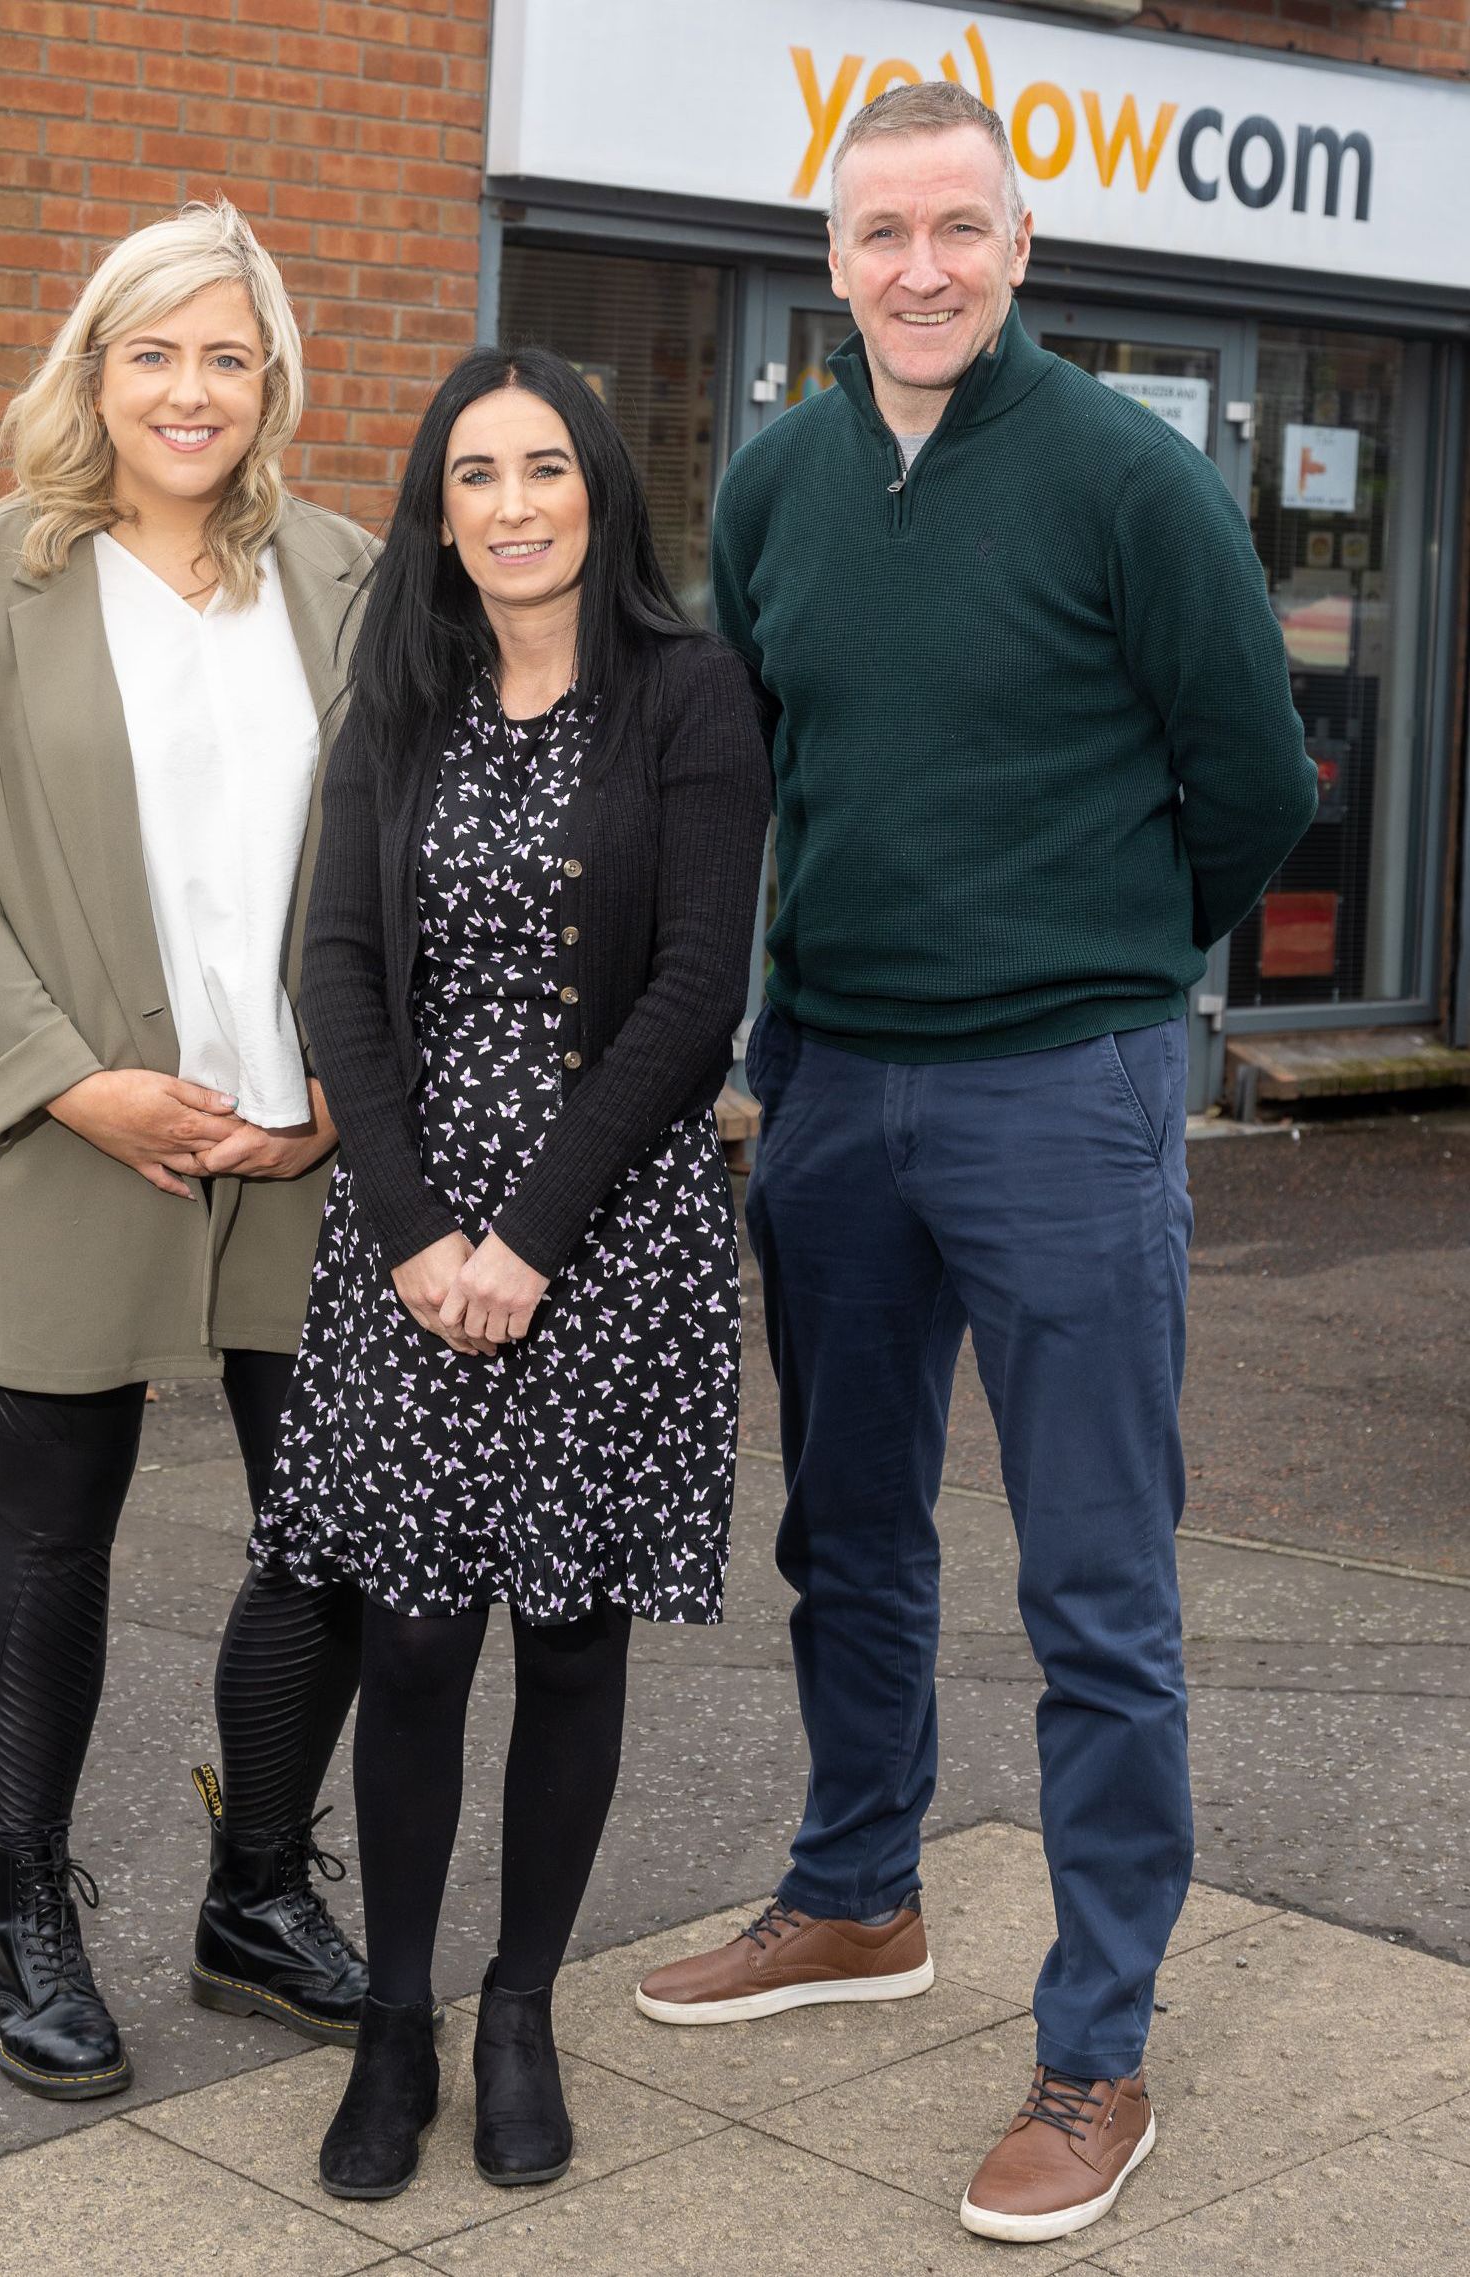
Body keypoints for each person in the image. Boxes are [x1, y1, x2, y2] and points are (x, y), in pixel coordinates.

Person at [633, 82, 1319, 2246]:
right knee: (845, 1527)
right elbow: (763, 777)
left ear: (1022, 247)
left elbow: (1252, 790)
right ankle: (855, 1892)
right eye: (876, 233)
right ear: (830, 260)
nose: (916, 267)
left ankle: (1096, 2046)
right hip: (832, 1082)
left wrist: (1096, 956)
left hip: (1063, 1087)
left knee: (1095, 1583)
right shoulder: (776, 482)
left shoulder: (1128, 480)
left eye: (957, 227)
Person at [0, 200, 382, 2101]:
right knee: (52, 1521)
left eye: (225, 355)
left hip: (301, 1139)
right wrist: (72, 1080)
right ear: (95, 370)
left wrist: (354, 1073)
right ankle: (28, 1905)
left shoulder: (344, 577)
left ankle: (254, 1888)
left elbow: (405, 841)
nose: (189, 389)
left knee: (333, 1522)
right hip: (68, 1133)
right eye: (152, 351)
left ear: (271, 383)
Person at [247, 346, 769, 2200]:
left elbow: (697, 985)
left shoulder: (692, 697)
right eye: (476, 474)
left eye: (546, 466)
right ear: (437, 509)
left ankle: (523, 2004)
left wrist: (530, 1237)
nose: (515, 503)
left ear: (603, 491)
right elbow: (336, 972)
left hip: (608, 1237)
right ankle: (394, 2017)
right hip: (407, 1234)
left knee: (567, 1630)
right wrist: (411, 1235)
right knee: (409, 1631)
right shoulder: (392, 692)